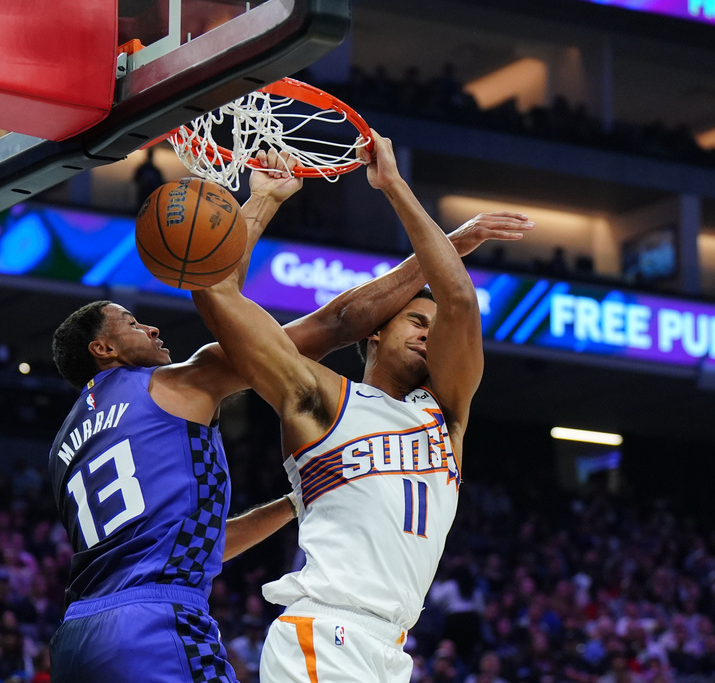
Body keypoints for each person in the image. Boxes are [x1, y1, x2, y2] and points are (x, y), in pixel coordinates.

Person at [47, 149, 531, 683]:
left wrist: (292, 503)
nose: (154, 330)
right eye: (132, 322)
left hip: (81, 630)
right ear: (103, 350)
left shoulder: (67, 444)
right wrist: (260, 202)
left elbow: (189, 542)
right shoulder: (182, 382)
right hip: (173, 621)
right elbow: (326, 319)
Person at [192, 131, 533, 682]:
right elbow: (220, 299)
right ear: (375, 334)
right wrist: (269, 200)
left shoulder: (448, 417)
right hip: (325, 633)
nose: (429, 334)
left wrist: (426, 217)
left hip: (391, 648)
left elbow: (460, 301)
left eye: (433, 328)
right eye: (414, 322)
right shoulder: (322, 399)